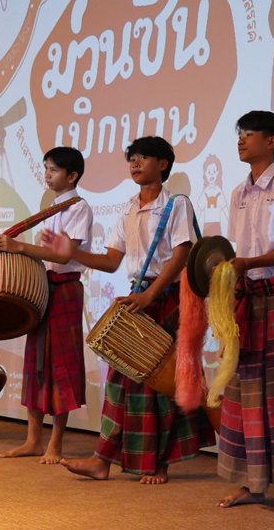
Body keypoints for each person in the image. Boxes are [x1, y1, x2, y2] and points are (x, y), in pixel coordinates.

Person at [45, 136, 212, 484]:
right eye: (131, 158)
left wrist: (151, 294)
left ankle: (160, 463)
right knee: (119, 380)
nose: (134, 164)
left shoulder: (176, 204)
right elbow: (110, 261)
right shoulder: (126, 208)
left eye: (142, 158)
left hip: (166, 297)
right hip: (139, 296)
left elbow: (182, 254)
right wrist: (70, 252)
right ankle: (102, 460)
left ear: (162, 165)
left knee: (162, 384)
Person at [216, 111, 274, 513]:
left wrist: (249, 264)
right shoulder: (239, 191)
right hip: (247, 298)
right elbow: (234, 251)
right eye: (239, 134)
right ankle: (253, 484)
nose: (241, 140)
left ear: (271, 141)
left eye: (249, 134)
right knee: (244, 390)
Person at [0, 147, 92, 464]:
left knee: (62, 365)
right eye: (46, 168)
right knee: (35, 364)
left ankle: (56, 444)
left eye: (54, 170)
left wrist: (20, 247)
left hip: (65, 289)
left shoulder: (79, 207)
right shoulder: (52, 207)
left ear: (72, 176)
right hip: (44, 288)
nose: (47, 175)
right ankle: (33, 440)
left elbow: (64, 255)